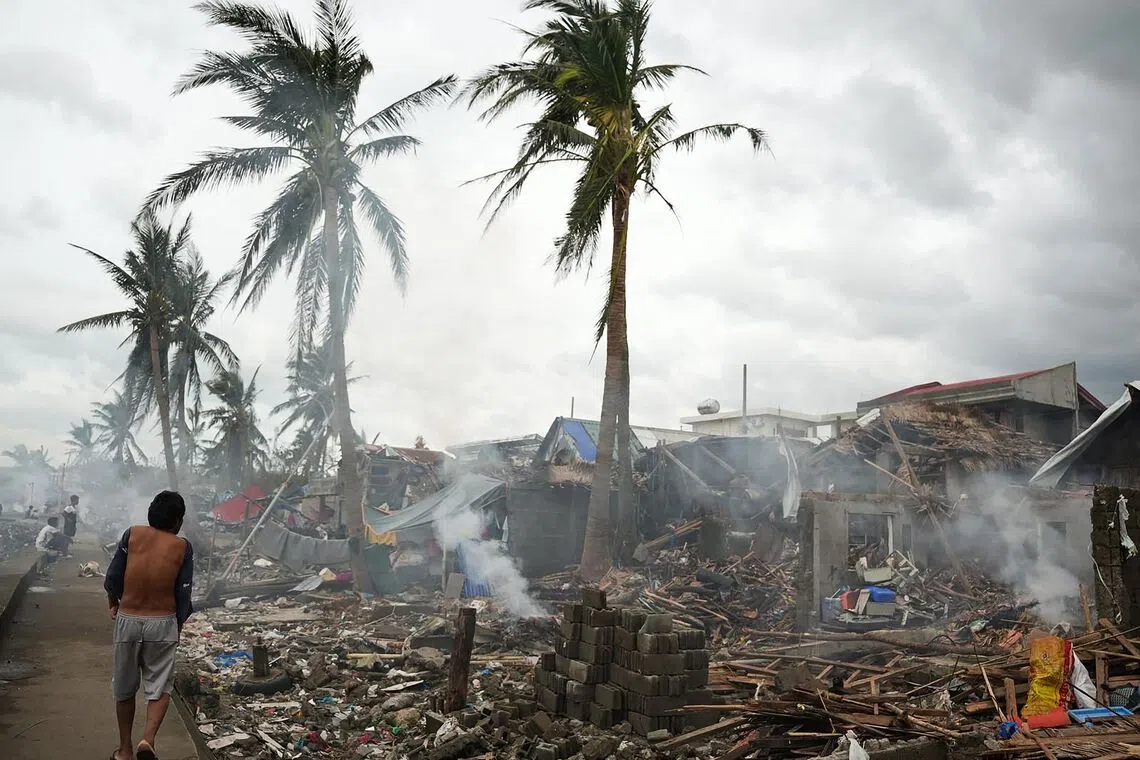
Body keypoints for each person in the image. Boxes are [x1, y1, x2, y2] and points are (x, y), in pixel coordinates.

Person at [104, 491, 194, 760]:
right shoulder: (182, 547)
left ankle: (124, 751)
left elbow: (112, 578)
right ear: (178, 521)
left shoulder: (132, 534)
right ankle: (147, 740)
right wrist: (178, 624)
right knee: (160, 686)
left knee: (124, 687)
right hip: (162, 621)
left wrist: (114, 603)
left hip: (128, 618)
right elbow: (184, 592)